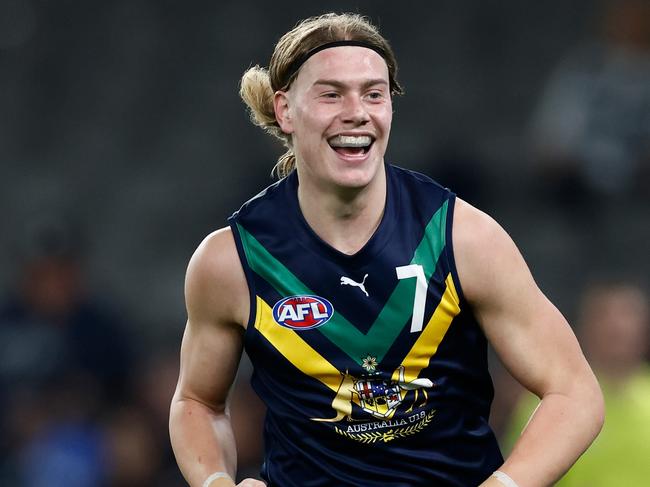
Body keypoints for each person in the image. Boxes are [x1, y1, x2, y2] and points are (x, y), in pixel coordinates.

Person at [169, 13, 604, 487]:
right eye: (331, 93)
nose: (357, 111)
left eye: (373, 93)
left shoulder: (461, 237)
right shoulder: (233, 260)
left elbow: (575, 393)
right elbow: (197, 403)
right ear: (285, 110)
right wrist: (214, 481)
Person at [503, 280, 650, 486]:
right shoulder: (548, 400)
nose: (618, 328)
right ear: (586, 328)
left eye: (627, 317)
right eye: (606, 319)